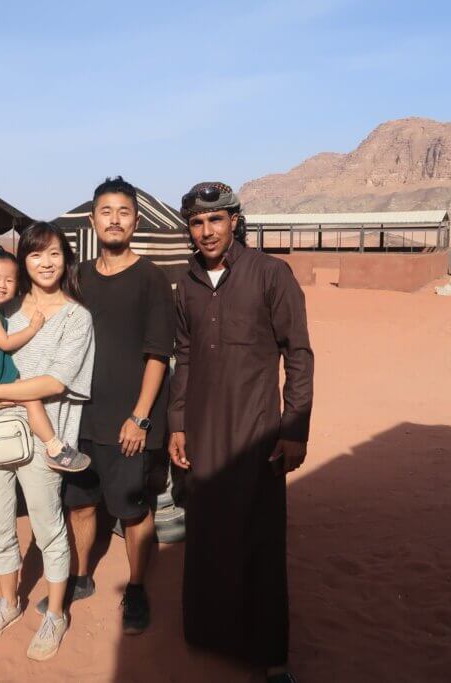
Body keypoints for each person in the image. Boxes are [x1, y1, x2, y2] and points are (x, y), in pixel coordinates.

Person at [168, 182, 314, 683]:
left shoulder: (271, 274)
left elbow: (298, 353)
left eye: (215, 220)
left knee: (259, 540)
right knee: (207, 535)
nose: (206, 231)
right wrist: (177, 423)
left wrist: (294, 427)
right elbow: (184, 356)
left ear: (234, 221)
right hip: (203, 431)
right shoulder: (186, 283)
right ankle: (211, 634)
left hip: (257, 432)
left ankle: (270, 655)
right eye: (196, 222)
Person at [36, 177, 175, 635]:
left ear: (136, 220)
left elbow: (158, 354)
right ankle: (81, 577)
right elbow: (36, 300)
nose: (114, 220)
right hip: (78, 419)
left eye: (123, 212)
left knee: (133, 508)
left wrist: (140, 417)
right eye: (106, 211)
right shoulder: (78, 277)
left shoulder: (151, 278)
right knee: (80, 504)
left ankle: (136, 587)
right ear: (93, 219)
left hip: (128, 422)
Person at [0, 222, 95, 661]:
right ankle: (8, 602)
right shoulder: (3, 306)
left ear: (66, 259)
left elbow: (55, 382)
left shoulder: (76, 318)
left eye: (54, 253)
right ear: (25, 261)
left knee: (48, 526)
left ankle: (55, 613)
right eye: (36, 254)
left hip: (42, 435)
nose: (46, 262)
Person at [0, 245, 90, 472]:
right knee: (31, 399)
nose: (2, 285)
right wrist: (33, 328)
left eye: (9, 280)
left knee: (18, 397)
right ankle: (54, 448)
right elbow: (5, 343)